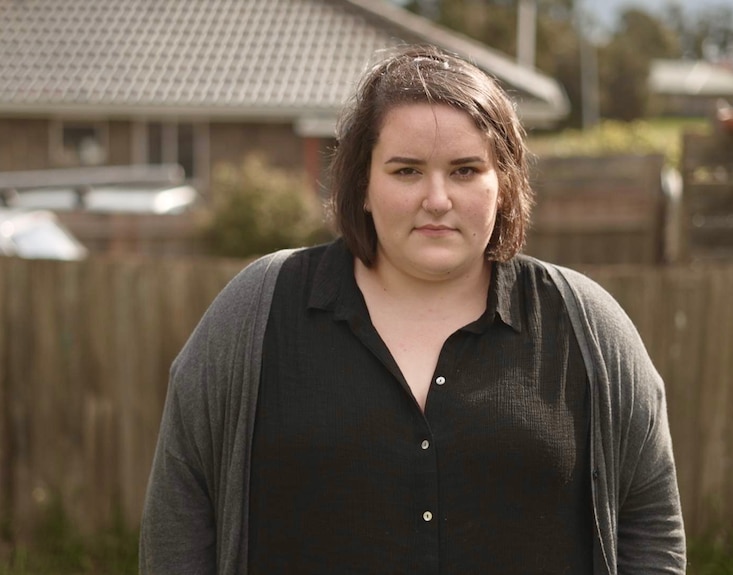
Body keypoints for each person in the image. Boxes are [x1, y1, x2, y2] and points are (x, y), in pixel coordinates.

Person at [139, 44, 686, 574]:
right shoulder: (257, 312)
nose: (438, 199)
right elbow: (179, 521)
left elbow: (649, 526)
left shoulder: (586, 327)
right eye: (406, 171)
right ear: (363, 186)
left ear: (505, 185)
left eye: (466, 170)